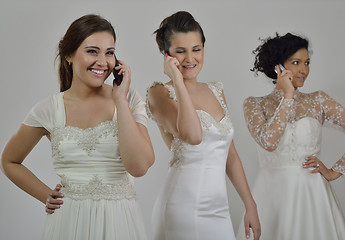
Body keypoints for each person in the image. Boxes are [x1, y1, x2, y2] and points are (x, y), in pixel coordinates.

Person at [1, 14, 154, 240]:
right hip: (68, 222)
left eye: (109, 52)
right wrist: (45, 194)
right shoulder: (48, 109)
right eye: (92, 51)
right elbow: (9, 160)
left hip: (119, 221)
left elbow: (139, 167)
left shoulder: (128, 99)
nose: (103, 61)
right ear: (69, 55)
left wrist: (120, 99)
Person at [146, 11, 261, 240]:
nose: (190, 59)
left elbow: (231, 156)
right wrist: (178, 81)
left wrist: (250, 205)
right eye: (180, 51)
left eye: (196, 49)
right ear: (166, 54)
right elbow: (193, 135)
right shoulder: (159, 93)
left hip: (219, 210)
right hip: (182, 208)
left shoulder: (216, 90)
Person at [236, 33, 345, 240]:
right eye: (296, 62)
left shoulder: (318, 100)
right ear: (278, 67)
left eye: (307, 63)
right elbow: (269, 142)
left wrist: (334, 172)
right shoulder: (254, 104)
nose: (304, 70)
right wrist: (287, 96)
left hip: (312, 194)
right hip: (271, 194)